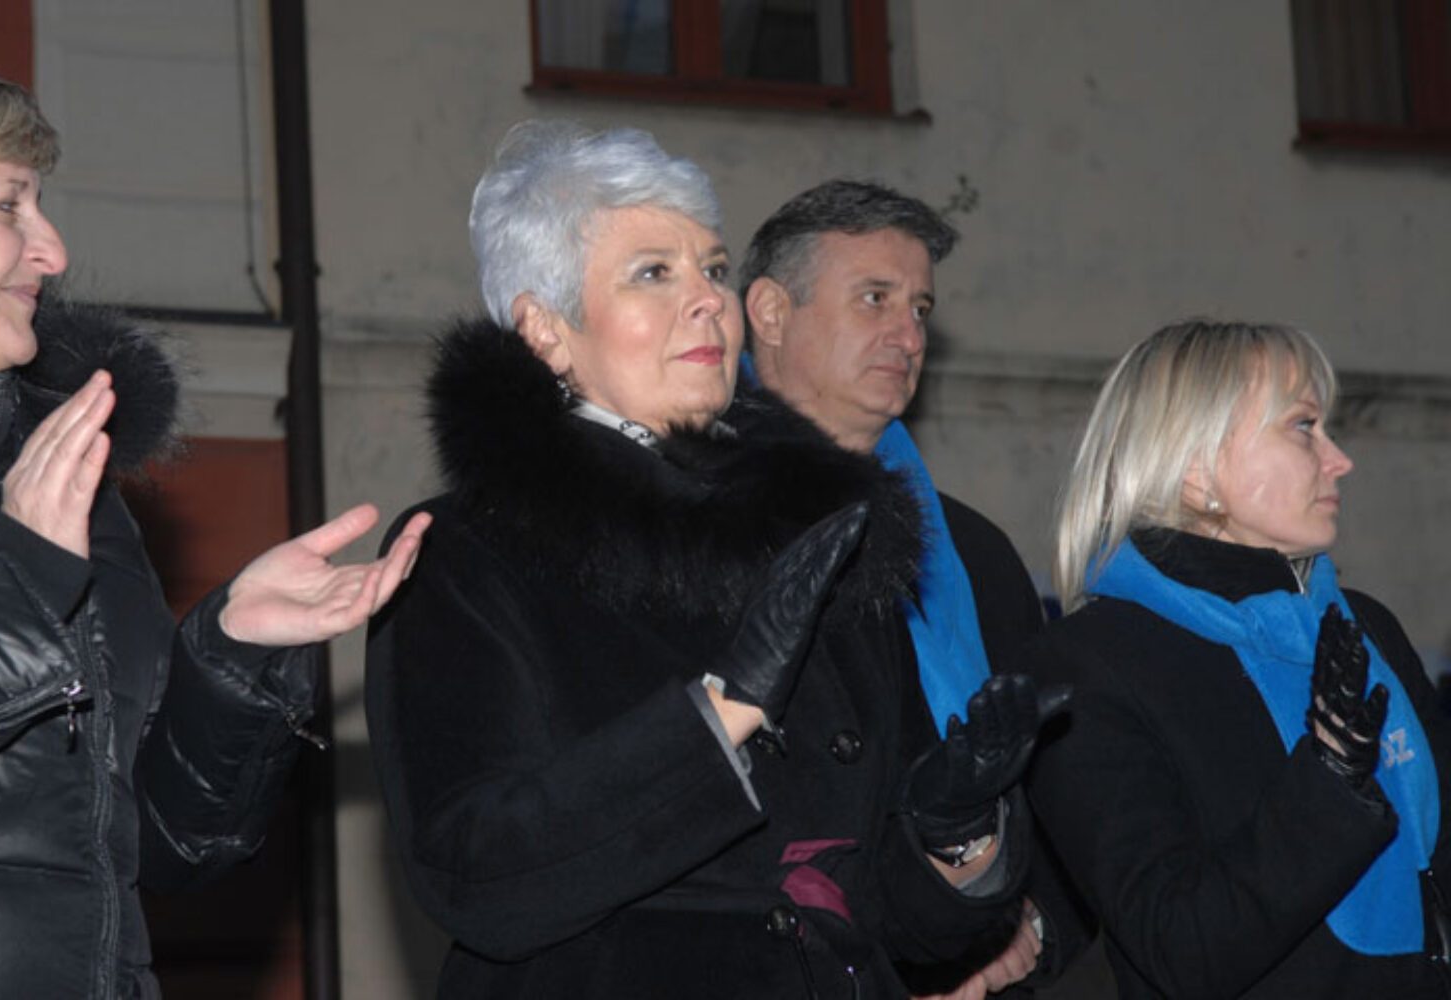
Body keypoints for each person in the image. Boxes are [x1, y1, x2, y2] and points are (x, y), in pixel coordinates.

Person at [365, 120, 1065, 1000]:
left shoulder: (822, 530)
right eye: (653, 273)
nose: (706, 300)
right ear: (545, 331)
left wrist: (954, 830)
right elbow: (478, 874)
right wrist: (719, 713)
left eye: (714, 268)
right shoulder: (466, 551)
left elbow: (890, 920)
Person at [0, 46, 430, 998]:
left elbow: (166, 843)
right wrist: (20, 592)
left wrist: (232, 656)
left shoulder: (69, 478)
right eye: (7, 206)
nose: (52, 250)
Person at [1025, 319, 1451, 998]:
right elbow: (1182, 950)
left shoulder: (1363, 628)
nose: (1340, 459)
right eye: (1303, 427)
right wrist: (1331, 782)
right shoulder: (1089, 666)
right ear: (1198, 472)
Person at [742, 179, 1093, 998]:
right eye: (875, 299)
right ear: (770, 312)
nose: (908, 335)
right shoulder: (684, 523)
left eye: (921, 310)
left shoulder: (970, 551)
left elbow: (1065, 792)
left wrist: (1023, 924)